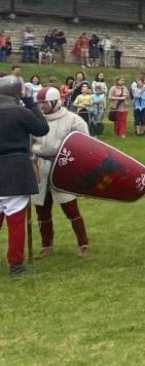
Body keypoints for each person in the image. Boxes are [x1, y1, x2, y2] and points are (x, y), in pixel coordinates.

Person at [31, 88, 92, 259]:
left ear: (55, 101)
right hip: (40, 166)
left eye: (44, 102)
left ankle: (83, 244)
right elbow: (28, 143)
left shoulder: (73, 120)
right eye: (40, 103)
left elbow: (85, 145)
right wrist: (32, 163)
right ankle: (47, 245)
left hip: (63, 167)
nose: (41, 106)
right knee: (42, 210)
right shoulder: (35, 120)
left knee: (70, 208)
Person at [0, 76, 49, 276]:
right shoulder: (20, 112)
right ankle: (16, 265)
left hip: (11, 166)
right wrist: (30, 103)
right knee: (16, 220)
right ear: (18, 93)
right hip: (16, 169)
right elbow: (42, 128)